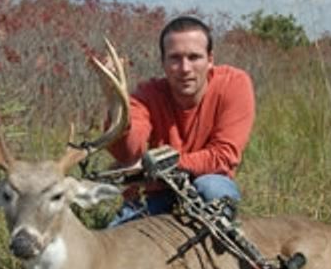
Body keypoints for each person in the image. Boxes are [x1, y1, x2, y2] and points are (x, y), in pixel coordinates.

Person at [106, 15, 256, 226]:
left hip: (208, 183)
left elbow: (224, 156)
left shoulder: (233, 84)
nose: (185, 68)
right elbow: (127, 152)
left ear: (210, 59)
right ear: (163, 62)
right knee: (113, 240)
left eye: (194, 57)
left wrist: (160, 164)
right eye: (175, 58)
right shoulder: (147, 95)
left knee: (213, 188)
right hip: (157, 192)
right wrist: (115, 101)